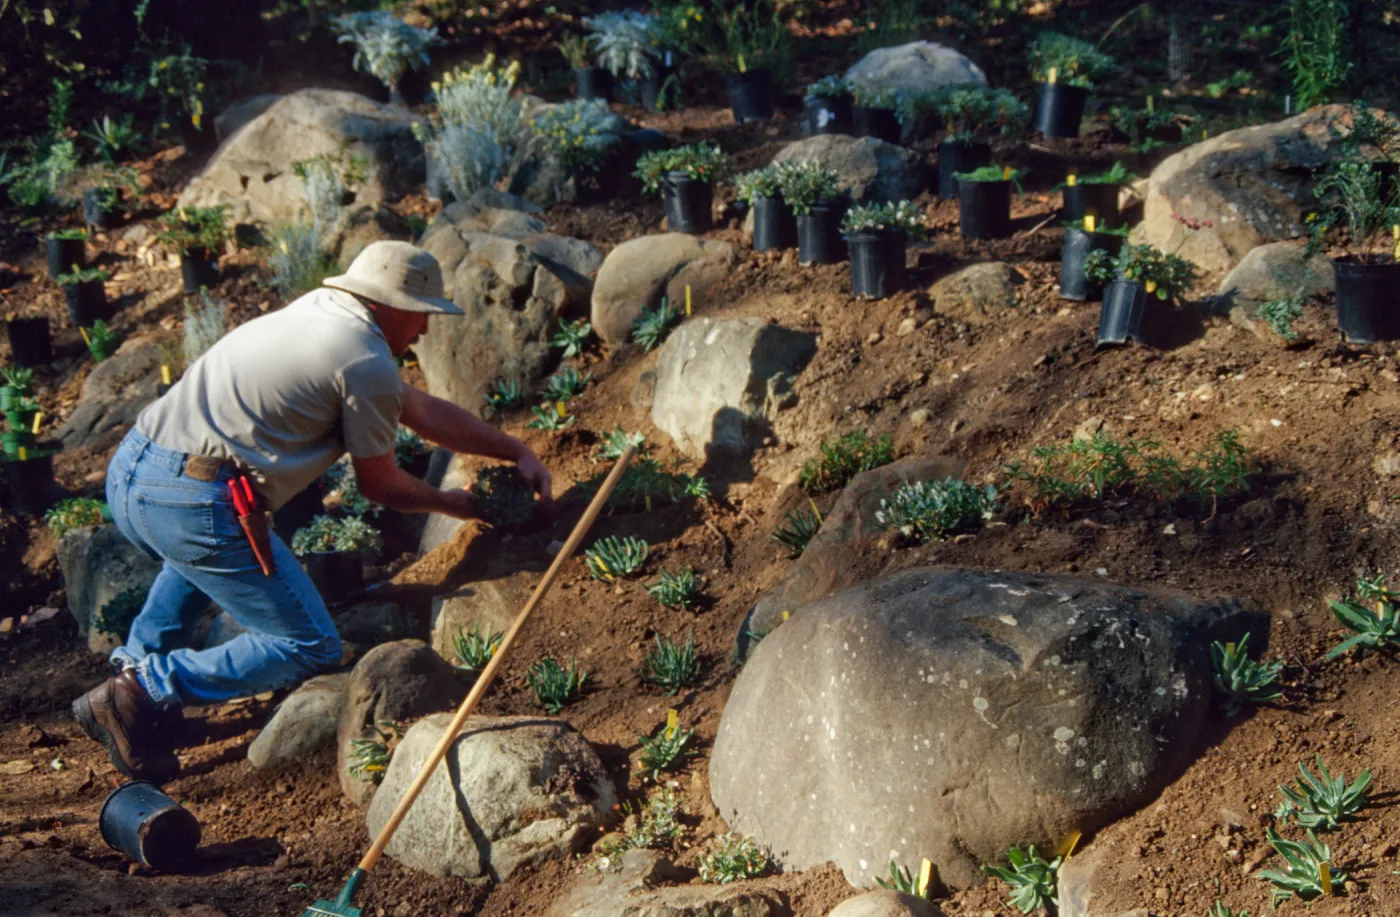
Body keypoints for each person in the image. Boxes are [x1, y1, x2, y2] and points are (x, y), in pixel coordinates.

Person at [73, 241, 551, 782]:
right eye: (422, 315)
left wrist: (515, 450)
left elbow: (416, 407)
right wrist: (451, 503)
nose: (424, 330)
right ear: (393, 305)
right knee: (307, 643)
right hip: (189, 498)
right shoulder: (363, 360)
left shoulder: (320, 314)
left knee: (199, 559)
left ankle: (137, 700)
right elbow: (381, 485)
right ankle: (143, 691)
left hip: (135, 470)